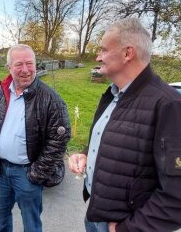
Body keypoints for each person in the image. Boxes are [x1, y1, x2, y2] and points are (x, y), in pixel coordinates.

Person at [68, 18, 181, 232]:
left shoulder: (168, 105)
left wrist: (127, 229)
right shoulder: (112, 95)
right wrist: (85, 154)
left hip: (123, 226)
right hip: (95, 214)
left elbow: (176, 197)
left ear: (128, 53)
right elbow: (119, 143)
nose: (97, 56)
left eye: (103, 50)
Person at [0, 44, 71, 232]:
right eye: (19, 64)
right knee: (0, 218)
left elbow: (59, 141)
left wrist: (36, 173)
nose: (25, 70)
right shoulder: (2, 91)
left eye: (30, 64)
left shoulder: (51, 99)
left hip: (27, 173)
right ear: (9, 68)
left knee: (31, 224)